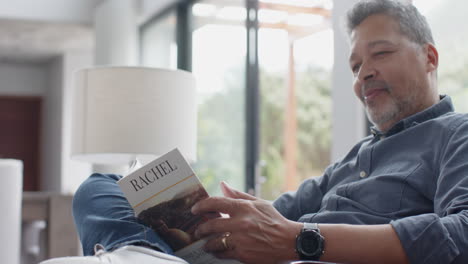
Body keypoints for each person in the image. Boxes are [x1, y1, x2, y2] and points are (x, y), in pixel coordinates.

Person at [40, 0, 468, 264]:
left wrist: (303, 240)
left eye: (381, 53)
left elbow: (459, 235)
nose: (364, 74)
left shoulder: (456, 134)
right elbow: (281, 210)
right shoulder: (356, 158)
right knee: (101, 187)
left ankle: (142, 258)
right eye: (355, 66)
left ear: (429, 57)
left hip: (305, 256)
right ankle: (147, 257)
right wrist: (212, 214)